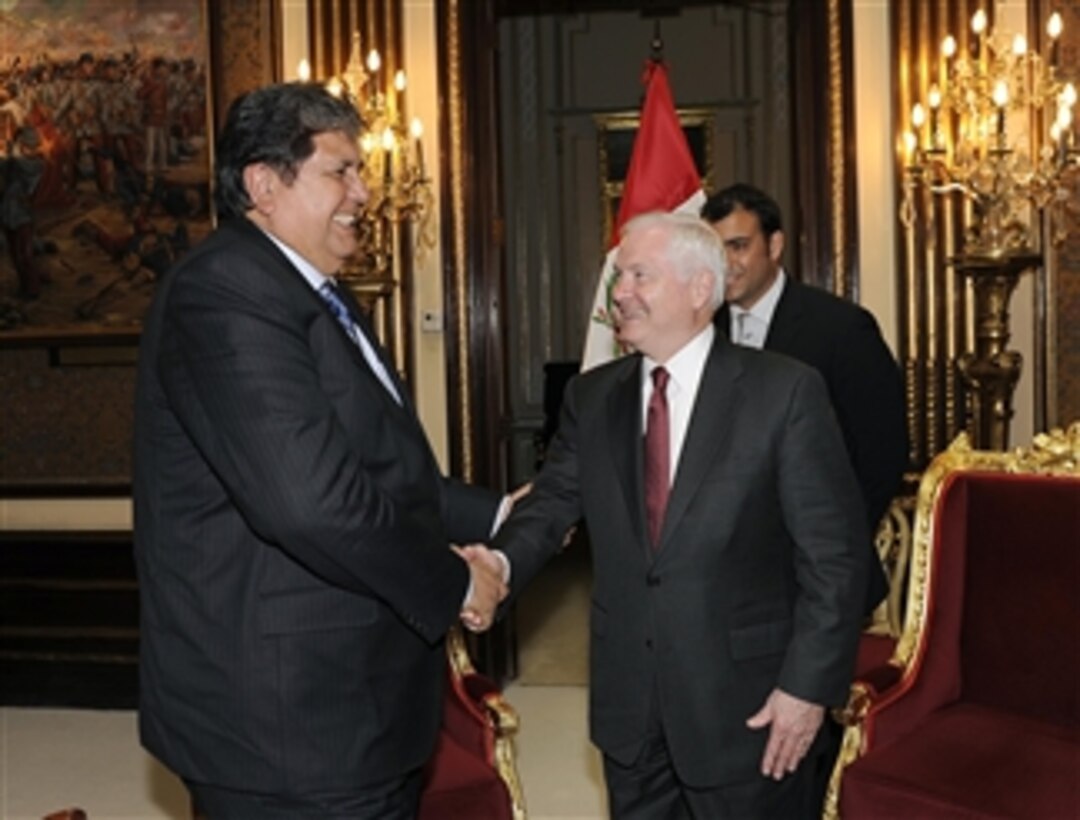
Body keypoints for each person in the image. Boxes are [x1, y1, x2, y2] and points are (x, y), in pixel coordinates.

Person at [133, 82, 509, 819]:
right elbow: (311, 503)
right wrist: (455, 584)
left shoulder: (314, 295)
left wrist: (501, 511)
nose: (365, 193)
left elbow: (382, 471)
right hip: (287, 725)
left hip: (347, 708)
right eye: (341, 171)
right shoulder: (227, 291)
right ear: (264, 184)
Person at [486, 212, 869, 818]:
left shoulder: (785, 392)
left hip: (751, 711)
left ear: (699, 289)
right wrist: (497, 564)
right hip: (630, 709)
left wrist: (807, 687)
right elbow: (554, 501)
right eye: (618, 276)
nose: (620, 292)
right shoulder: (591, 397)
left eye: (640, 274)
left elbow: (836, 559)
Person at [701, 183, 908, 614]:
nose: (726, 264)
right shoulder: (700, 331)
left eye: (738, 246)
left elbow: (881, 452)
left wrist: (834, 542)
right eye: (715, 250)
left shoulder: (841, 327)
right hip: (724, 576)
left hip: (817, 569)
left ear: (774, 245)